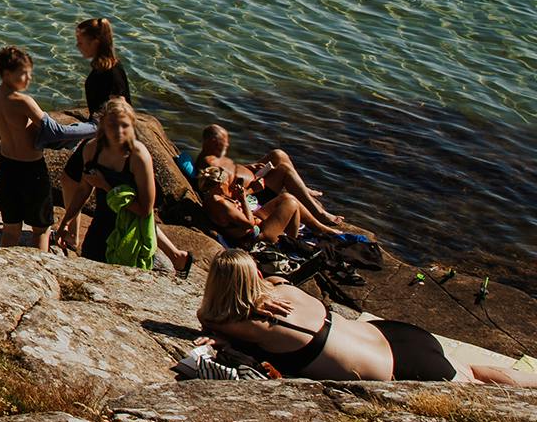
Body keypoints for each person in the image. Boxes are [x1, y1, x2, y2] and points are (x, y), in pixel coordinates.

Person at [199, 249, 536, 384]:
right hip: (397, 335)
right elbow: (268, 282)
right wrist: (261, 292)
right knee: (474, 371)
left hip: (393, 367)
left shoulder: (250, 325)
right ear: (255, 275)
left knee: (475, 385)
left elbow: (208, 317)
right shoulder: (283, 291)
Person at [56, 97, 188, 274]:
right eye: (112, 125)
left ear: (132, 126)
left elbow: (145, 210)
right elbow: (83, 189)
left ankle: (177, 258)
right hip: (101, 224)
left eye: (124, 125)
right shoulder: (91, 149)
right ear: (102, 124)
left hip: (130, 230)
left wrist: (106, 186)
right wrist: (65, 222)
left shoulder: (138, 156)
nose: (119, 131)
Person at [194, 125, 357, 242]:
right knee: (285, 173)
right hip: (255, 195)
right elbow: (231, 196)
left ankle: (303, 190)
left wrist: (250, 167)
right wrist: (250, 190)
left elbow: (231, 180)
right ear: (212, 142)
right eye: (223, 141)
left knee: (278, 155)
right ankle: (318, 214)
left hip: (252, 189)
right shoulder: (211, 167)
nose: (227, 145)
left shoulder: (216, 161)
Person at [0, 46, 58, 250]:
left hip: (7, 166)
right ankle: (40, 272)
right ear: (8, 74)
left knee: (11, 228)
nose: (29, 78)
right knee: (41, 228)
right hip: (31, 169)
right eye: (24, 73)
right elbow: (52, 131)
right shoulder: (24, 102)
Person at [76, 16, 131, 115]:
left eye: (80, 42)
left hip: (104, 126)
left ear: (95, 43)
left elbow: (120, 111)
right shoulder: (102, 67)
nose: (77, 46)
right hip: (98, 122)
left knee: (52, 127)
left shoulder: (112, 72)